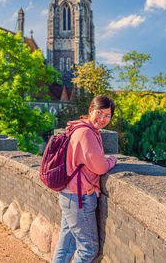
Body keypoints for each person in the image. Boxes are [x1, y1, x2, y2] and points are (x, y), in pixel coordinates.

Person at [52, 95, 117, 263]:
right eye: (99, 113)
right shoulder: (86, 133)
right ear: (90, 111)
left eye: (107, 116)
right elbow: (100, 167)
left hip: (69, 194)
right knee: (88, 249)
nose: (102, 119)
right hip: (79, 196)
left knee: (66, 245)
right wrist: (112, 160)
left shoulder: (78, 128)